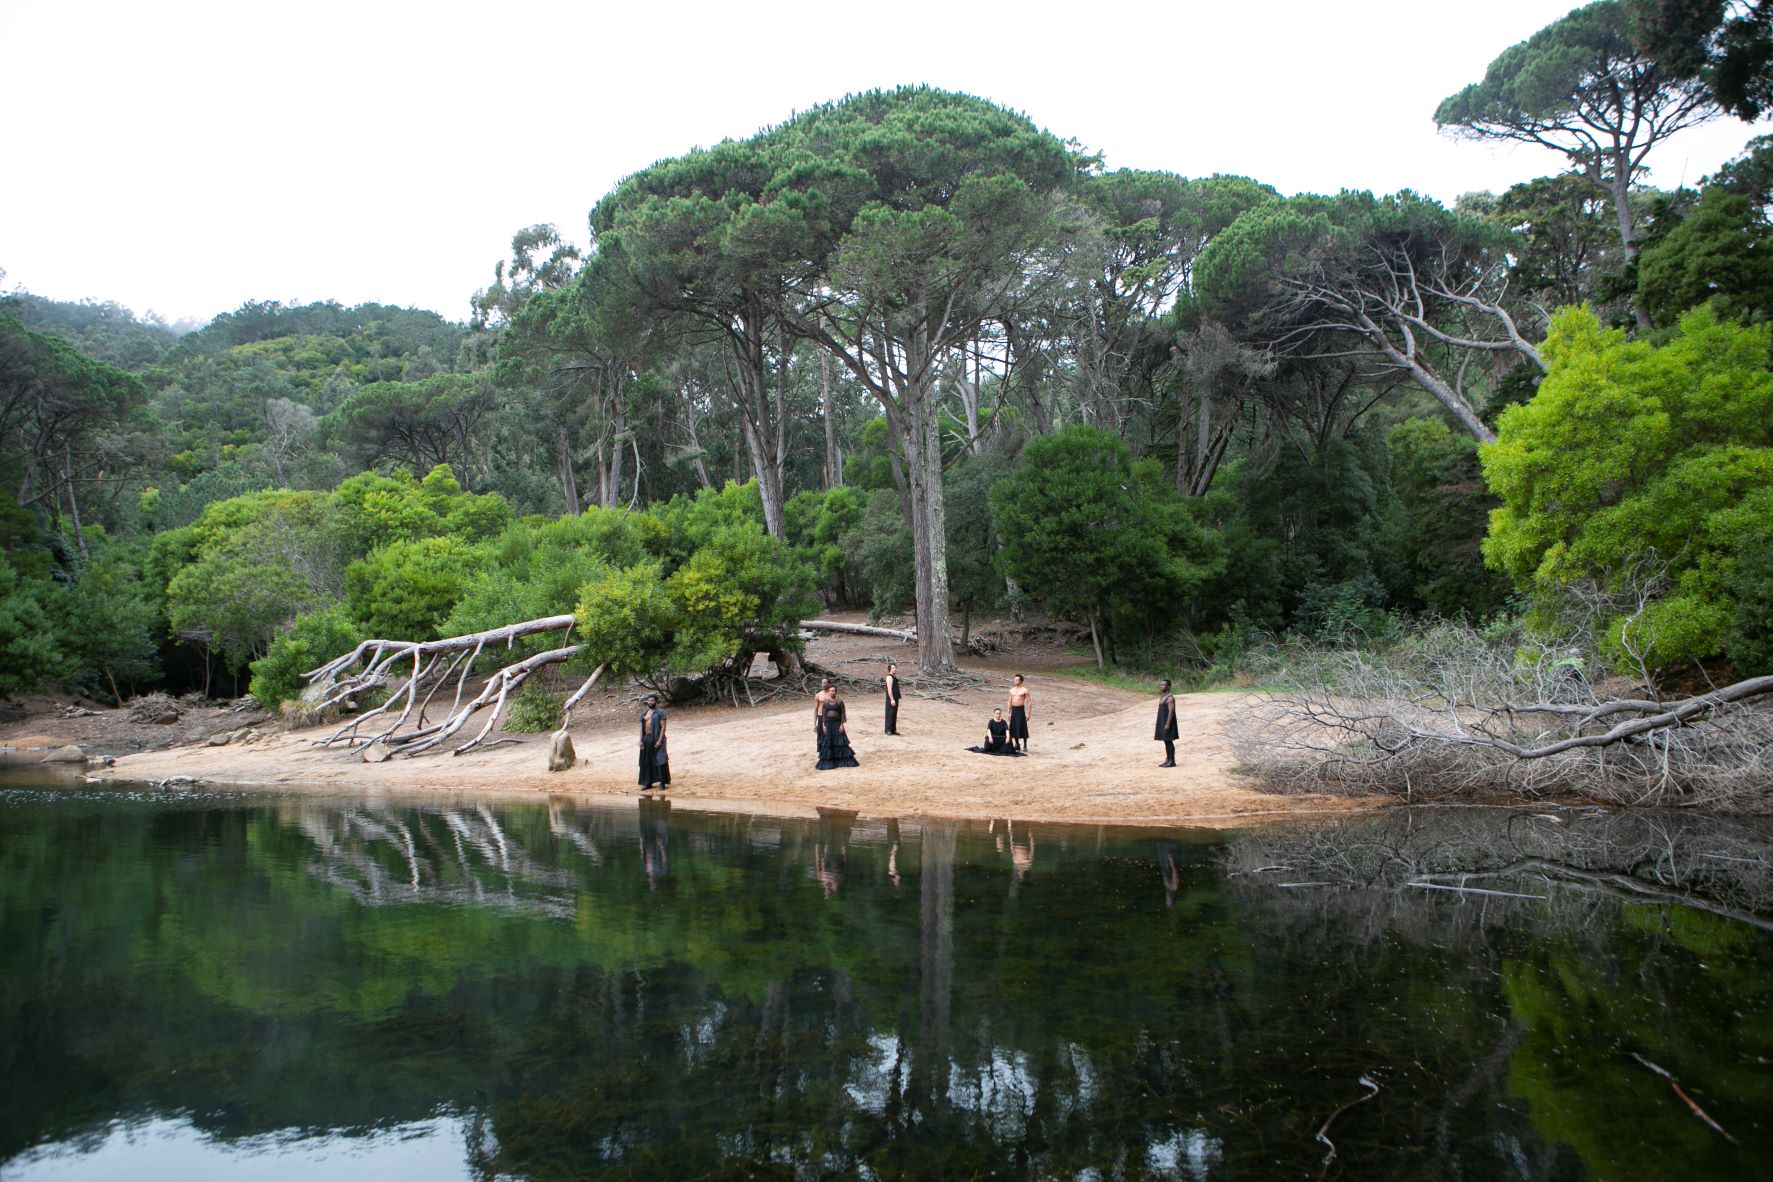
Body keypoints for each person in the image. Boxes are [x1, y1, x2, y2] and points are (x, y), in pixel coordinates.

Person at [815, 683, 860, 769]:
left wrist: (842, 724)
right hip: (828, 724)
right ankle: (830, 760)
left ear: (836, 692)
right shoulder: (825, 702)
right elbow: (824, 714)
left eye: (833, 691)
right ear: (828, 692)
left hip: (837, 724)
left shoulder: (840, 702)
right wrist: (823, 725)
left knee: (840, 742)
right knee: (829, 742)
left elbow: (843, 713)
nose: (832, 692)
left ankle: (841, 760)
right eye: (830, 691)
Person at [639, 693, 670, 790]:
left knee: (660, 760)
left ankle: (662, 783)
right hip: (646, 739)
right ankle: (647, 783)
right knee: (647, 761)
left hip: (657, 738)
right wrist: (640, 740)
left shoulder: (660, 712)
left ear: (656, 702)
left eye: (652, 700)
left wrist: (660, 740)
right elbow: (641, 728)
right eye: (649, 700)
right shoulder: (644, 713)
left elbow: (663, 727)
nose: (650, 702)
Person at [1155, 678, 1178, 767]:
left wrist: (1168, 724)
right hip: (1163, 722)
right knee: (1166, 741)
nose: (1161, 686)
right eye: (1160, 685)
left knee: (1169, 741)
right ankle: (1168, 759)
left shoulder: (1170, 698)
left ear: (1168, 687)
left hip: (1168, 723)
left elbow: (1171, 712)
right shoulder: (1163, 697)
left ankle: (1172, 761)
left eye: (1163, 685)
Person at [1007, 674, 1032, 753]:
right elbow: (1009, 702)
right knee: (1013, 727)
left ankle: (1025, 744)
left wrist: (1028, 714)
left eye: (1017, 680)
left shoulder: (1025, 690)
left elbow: (1029, 702)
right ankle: (1017, 744)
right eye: (1014, 680)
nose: (1015, 681)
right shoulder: (1011, 690)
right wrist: (1008, 712)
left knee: (1023, 727)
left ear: (1021, 681)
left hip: (1021, 710)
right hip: (1014, 710)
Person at [883, 662, 903, 735]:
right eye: (893, 668)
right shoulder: (889, 677)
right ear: (890, 670)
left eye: (895, 668)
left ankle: (893, 729)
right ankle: (888, 729)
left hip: (895, 698)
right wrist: (892, 699)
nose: (895, 669)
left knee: (894, 713)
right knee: (890, 713)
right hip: (891, 699)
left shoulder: (893, 677)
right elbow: (889, 689)